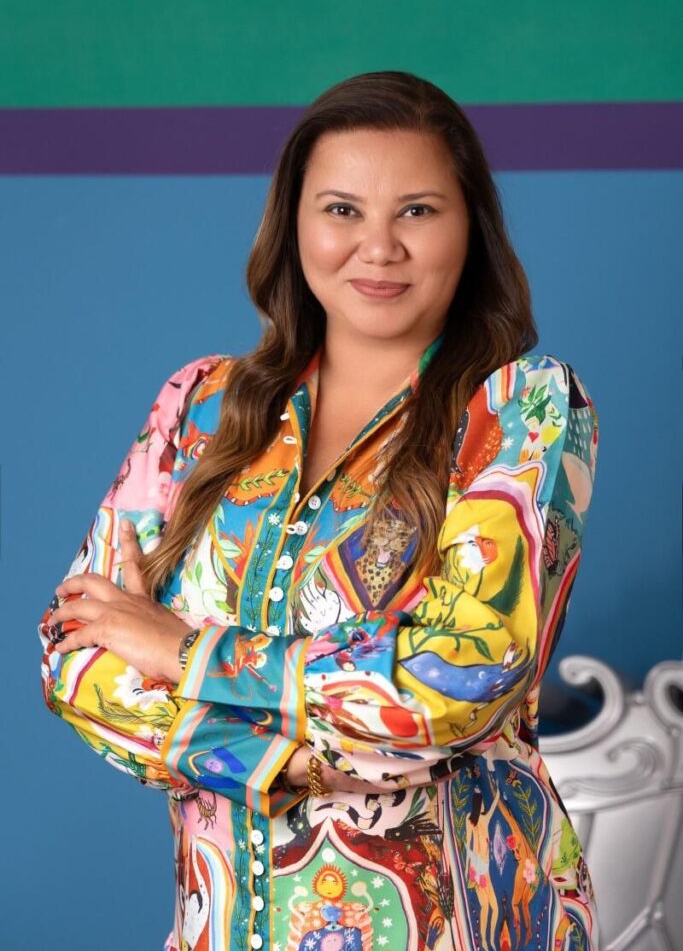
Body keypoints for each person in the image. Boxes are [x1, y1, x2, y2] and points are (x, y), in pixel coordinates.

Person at [39, 70, 600, 951]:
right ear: (293, 224)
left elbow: (456, 681)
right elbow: (76, 651)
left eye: (417, 211)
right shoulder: (200, 405)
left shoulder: (518, 410)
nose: (378, 247)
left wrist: (184, 652)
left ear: (470, 227)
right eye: (342, 209)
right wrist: (283, 762)